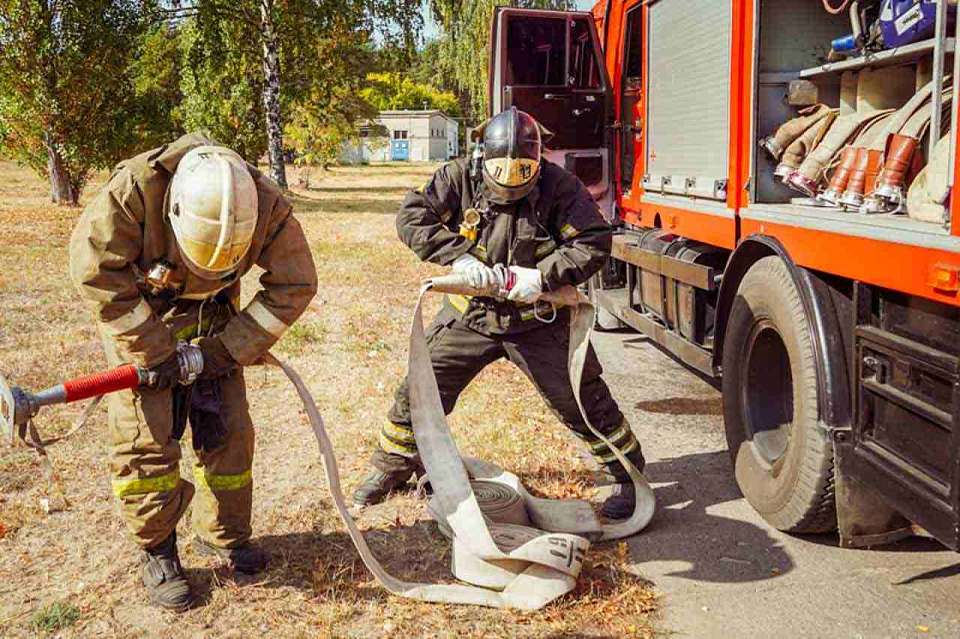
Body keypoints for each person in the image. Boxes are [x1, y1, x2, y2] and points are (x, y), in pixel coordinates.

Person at [352, 107, 645, 519]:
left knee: (582, 398)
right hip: (470, 315)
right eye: (499, 174)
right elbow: (412, 217)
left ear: (537, 161)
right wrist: (459, 257)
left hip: (538, 319)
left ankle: (628, 473)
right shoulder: (458, 176)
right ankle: (393, 467)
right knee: (421, 390)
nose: (509, 183)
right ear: (482, 157)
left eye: (523, 173)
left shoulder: (560, 186)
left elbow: (594, 241)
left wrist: (542, 277)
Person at [69, 133, 318, 611]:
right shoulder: (137, 190)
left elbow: (296, 281)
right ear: (176, 211)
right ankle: (158, 551)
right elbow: (95, 271)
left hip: (217, 327)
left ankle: (223, 535)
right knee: (146, 444)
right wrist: (154, 351)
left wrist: (225, 351)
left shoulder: (263, 202)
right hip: (142, 320)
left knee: (230, 434)